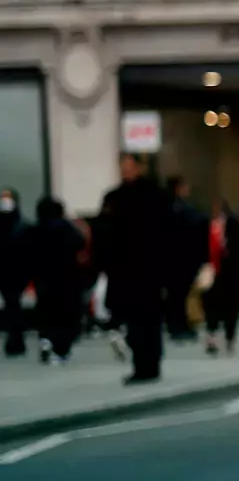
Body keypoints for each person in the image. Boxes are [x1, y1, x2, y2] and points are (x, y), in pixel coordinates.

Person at [97, 153, 173, 384]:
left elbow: (165, 233)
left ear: (139, 168)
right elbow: (105, 233)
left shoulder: (153, 196)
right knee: (133, 319)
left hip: (148, 268)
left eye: (129, 166)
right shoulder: (115, 197)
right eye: (123, 166)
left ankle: (150, 363)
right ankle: (142, 363)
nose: (125, 171)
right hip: (124, 270)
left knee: (148, 319)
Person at [22, 196, 85, 363]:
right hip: (66, 277)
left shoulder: (35, 229)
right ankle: (60, 349)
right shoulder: (65, 228)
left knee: (46, 312)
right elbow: (80, 242)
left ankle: (45, 339)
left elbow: (26, 252)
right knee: (64, 314)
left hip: (43, 278)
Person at [203, 202, 239, 356]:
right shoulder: (207, 225)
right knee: (211, 305)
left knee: (230, 307)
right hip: (213, 272)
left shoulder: (233, 226)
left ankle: (229, 337)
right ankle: (212, 336)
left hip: (230, 274)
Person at [162, 177, 208, 342]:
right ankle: (179, 326)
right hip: (183, 258)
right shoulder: (183, 210)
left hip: (170, 259)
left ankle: (176, 325)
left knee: (175, 294)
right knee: (180, 294)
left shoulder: (164, 208)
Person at [0, 186, 24, 357]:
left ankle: (15, 339)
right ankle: (15, 339)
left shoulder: (20, 224)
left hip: (16, 270)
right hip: (5, 269)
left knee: (13, 304)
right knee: (11, 304)